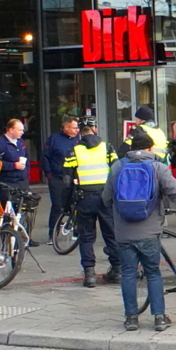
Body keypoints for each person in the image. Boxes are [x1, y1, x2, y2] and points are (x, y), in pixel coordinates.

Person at [103, 131, 176, 332]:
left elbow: (106, 198)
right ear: (150, 149)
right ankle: (159, 317)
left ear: (131, 149)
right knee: (153, 273)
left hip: (124, 232)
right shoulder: (158, 167)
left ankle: (131, 318)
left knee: (129, 273)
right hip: (149, 232)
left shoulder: (117, 167)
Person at [62, 118, 119, 287]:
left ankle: (89, 274)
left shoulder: (74, 150)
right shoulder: (107, 148)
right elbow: (117, 172)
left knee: (86, 237)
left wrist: (65, 205)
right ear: (94, 130)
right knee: (111, 234)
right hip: (106, 197)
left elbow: (66, 181)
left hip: (84, 198)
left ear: (80, 132)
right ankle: (118, 270)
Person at [0, 119, 37, 244]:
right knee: (9, 211)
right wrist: (13, 166)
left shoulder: (21, 143)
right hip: (8, 182)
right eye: (20, 130)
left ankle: (25, 236)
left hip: (22, 181)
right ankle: (8, 237)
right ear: (10, 130)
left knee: (24, 210)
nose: (22, 132)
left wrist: (26, 175)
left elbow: (26, 158)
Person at [42, 116, 81, 237]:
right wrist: (49, 175)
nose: (77, 130)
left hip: (73, 178)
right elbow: (45, 157)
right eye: (74, 128)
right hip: (57, 177)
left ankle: (75, 232)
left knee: (75, 205)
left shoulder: (78, 139)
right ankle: (53, 234)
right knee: (58, 206)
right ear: (66, 127)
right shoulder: (54, 139)